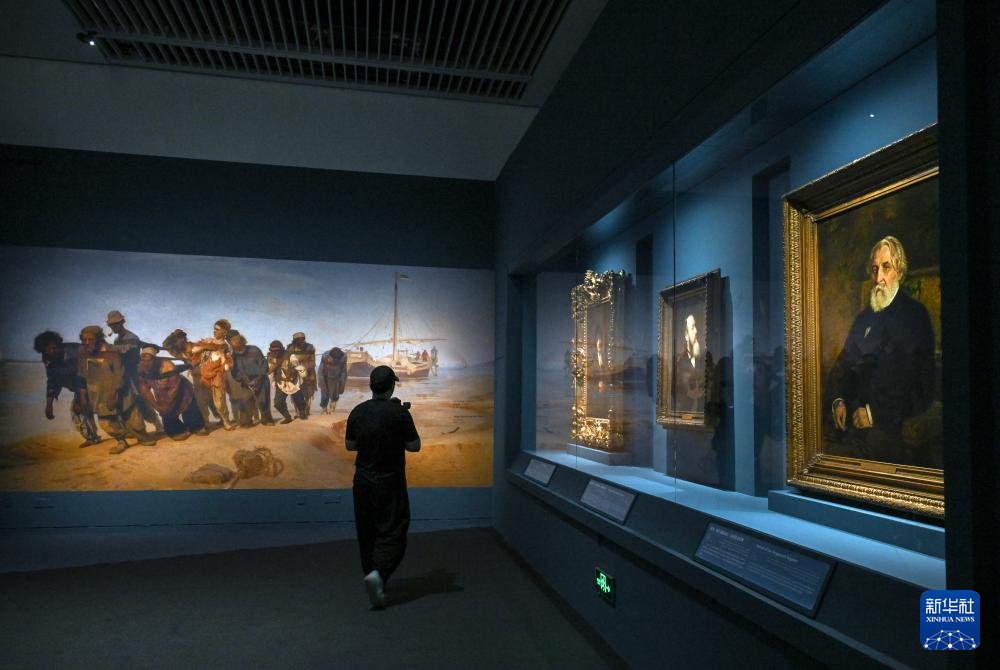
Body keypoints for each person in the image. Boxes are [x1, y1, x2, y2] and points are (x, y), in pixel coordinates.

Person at [827, 235, 935, 464]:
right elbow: (843, 363)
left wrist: (873, 414)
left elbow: (921, 386)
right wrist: (838, 399)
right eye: (875, 270)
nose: (879, 278)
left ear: (900, 272)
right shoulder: (863, 318)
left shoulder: (915, 316)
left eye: (886, 268)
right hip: (851, 425)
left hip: (889, 428)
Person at [345, 365, 421, 609]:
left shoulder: (358, 411)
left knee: (366, 532)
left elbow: (350, 445)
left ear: (371, 386)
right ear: (391, 386)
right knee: (395, 530)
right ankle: (379, 574)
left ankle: (372, 577)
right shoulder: (399, 413)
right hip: (390, 481)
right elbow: (414, 446)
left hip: (363, 481)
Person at [77, 325, 157, 454]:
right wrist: (83, 397)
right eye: (84, 340)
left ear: (99, 339)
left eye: (91, 339)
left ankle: (143, 437)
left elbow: (119, 374)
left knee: (134, 420)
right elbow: (81, 377)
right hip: (98, 394)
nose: (87, 342)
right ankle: (121, 441)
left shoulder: (112, 352)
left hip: (120, 391)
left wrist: (113, 394)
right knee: (106, 423)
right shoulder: (83, 355)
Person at [33, 330, 101, 448]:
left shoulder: (76, 351)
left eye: (53, 348)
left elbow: (83, 375)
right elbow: (52, 380)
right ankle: (92, 438)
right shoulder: (48, 359)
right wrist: (49, 404)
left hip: (96, 382)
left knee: (82, 407)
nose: (51, 351)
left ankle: (123, 433)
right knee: (77, 411)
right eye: (47, 350)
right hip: (80, 387)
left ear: (58, 344)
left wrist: (80, 398)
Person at [106, 310, 165, 434]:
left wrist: (110, 350)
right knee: (128, 403)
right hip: (124, 374)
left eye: (115, 324)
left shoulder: (132, 337)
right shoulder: (117, 340)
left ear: (122, 322)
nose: (113, 327)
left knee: (141, 401)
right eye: (111, 325)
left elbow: (131, 358)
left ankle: (158, 426)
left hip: (134, 374)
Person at [136, 347, 208, 440]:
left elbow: (174, 388)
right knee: (169, 419)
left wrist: (165, 406)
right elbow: (145, 391)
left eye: (149, 361)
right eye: (143, 360)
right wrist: (158, 407)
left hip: (181, 389)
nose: (146, 363)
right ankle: (179, 430)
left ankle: (197, 426)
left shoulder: (167, 366)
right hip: (161, 393)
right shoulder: (140, 368)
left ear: (154, 359)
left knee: (189, 408)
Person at [162, 328, 218, 428]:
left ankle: (221, 418)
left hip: (207, 373)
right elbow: (165, 345)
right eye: (177, 339)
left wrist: (203, 348)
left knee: (212, 397)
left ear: (184, 338)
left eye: (181, 338)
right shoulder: (177, 351)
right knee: (201, 399)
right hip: (196, 376)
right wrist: (173, 335)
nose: (179, 341)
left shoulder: (194, 345)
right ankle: (205, 422)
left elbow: (212, 347)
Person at [191, 319, 236, 430]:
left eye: (217, 329)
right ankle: (205, 423)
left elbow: (228, 365)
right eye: (214, 329)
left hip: (217, 376)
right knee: (202, 401)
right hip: (203, 375)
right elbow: (193, 350)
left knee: (219, 403)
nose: (214, 331)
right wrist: (206, 347)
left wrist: (222, 357)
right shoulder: (208, 341)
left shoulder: (226, 347)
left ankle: (225, 421)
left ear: (224, 332)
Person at [228, 332, 275, 427]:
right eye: (235, 349)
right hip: (245, 381)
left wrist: (257, 380)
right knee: (245, 400)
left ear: (243, 343)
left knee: (263, 401)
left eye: (239, 348)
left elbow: (264, 366)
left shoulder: (254, 350)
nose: (238, 351)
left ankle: (266, 420)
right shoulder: (234, 355)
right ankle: (246, 422)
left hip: (261, 378)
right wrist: (244, 380)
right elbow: (234, 372)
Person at [268, 340, 307, 423]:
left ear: (281, 350)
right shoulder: (271, 359)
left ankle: (302, 413)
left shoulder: (291, 356)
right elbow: (271, 372)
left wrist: (296, 366)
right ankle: (287, 417)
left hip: (293, 382)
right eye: (273, 351)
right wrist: (273, 382)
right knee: (278, 403)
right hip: (281, 383)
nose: (275, 353)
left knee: (299, 400)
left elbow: (299, 367)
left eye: (277, 350)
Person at [673, 313, 705, 413]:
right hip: (685, 411)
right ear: (686, 335)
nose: (696, 331)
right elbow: (675, 392)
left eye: (696, 326)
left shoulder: (702, 359)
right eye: (692, 327)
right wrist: (688, 393)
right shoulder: (678, 361)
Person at [286, 332, 317, 417]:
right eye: (298, 340)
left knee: (308, 393)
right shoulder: (290, 348)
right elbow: (287, 361)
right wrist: (293, 368)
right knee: (295, 392)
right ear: (295, 340)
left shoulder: (310, 347)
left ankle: (307, 410)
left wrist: (303, 368)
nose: (301, 341)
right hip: (294, 373)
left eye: (302, 339)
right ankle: (298, 412)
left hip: (308, 373)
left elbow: (312, 362)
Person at [318, 346, 348, 415]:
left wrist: (342, 382)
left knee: (335, 395)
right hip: (325, 378)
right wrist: (321, 382)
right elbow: (321, 371)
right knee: (324, 395)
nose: (334, 360)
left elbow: (344, 371)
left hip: (336, 379)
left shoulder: (343, 358)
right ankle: (324, 409)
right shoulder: (325, 357)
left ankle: (332, 410)